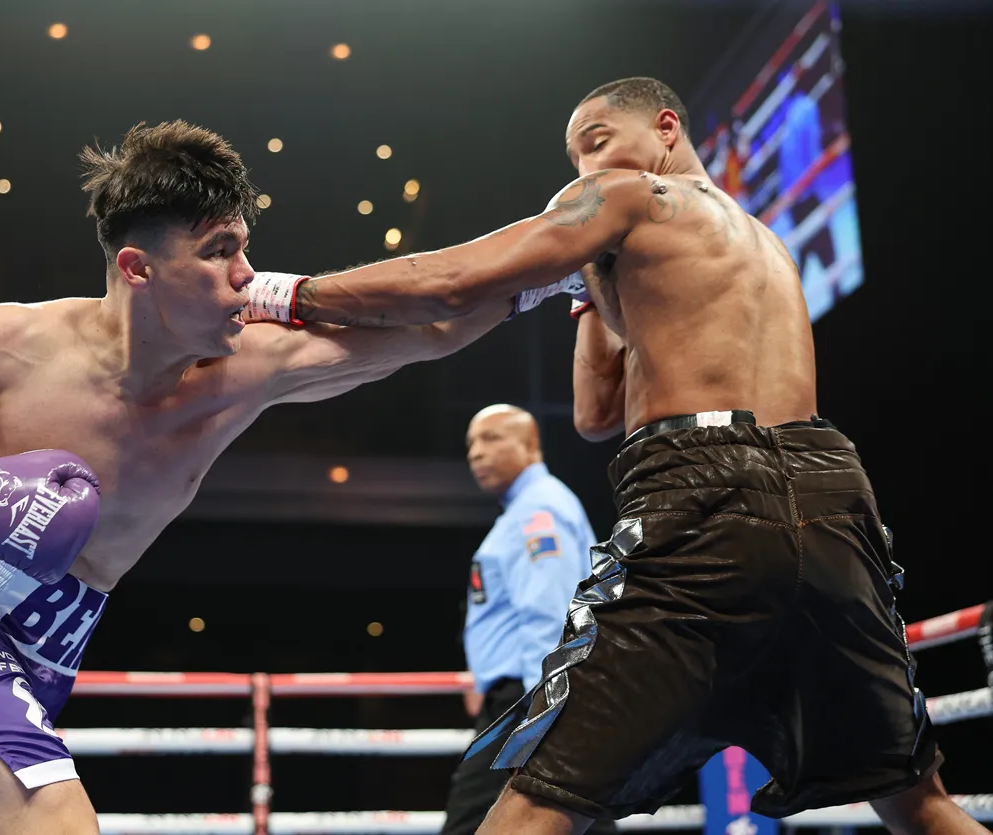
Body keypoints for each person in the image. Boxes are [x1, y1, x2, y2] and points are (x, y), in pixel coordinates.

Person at [242, 79, 982, 834]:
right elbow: (597, 413)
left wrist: (281, 294)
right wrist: (593, 293)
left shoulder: (629, 196)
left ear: (666, 127)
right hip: (832, 498)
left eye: (596, 141)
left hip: (705, 493)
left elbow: (451, 284)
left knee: (539, 794)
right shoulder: (767, 242)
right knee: (917, 802)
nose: (585, 168)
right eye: (575, 158)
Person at [0, 120, 530, 835]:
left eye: (243, 247)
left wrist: (550, 270)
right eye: (218, 251)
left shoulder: (250, 370)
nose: (246, 274)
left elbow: (433, 327)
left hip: (40, 660)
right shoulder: (14, 345)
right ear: (137, 268)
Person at [444, 405, 611, 835]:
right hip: (529, 694)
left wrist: (544, 708)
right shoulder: (530, 508)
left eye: (491, 438)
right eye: (471, 444)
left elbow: (550, 611)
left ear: (530, 444)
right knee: (573, 813)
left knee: (472, 819)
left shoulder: (540, 512)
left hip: (528, 698)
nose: (476, 453)